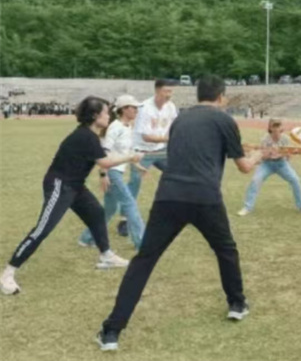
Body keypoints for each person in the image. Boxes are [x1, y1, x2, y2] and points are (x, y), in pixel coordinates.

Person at [96, 74, 264, 352]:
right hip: (205, 198)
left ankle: (111, 331)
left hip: (169, 197)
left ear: (199, 95)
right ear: (221, 97)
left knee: (144, 261)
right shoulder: (225, 120)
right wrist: (260, 154)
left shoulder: (180, 120)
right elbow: (244, 166)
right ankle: (236, 303)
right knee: (226, 250)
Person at [0, 96, 142, 296]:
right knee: (43, 229)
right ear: (94, 115)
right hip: (60, 185)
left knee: (96, 213)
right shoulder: (86, 136)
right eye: (105, 112)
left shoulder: (90, 135)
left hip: (75, 185)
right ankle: (7, 273)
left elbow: (104, 158)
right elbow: (105, 162)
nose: (108, 115)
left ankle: (106, 255)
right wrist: (131, 157)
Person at [78, 95, 146, 251]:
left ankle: (86, 238)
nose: (136, 110)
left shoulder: (128, 127)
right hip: (112, 172)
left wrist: (137, 165)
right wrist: (104, 174)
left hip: (117, 171)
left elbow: (126, 152)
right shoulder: (115, 127)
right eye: (134, 107)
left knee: (109, 209)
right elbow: (105, 153)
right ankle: (141, 243)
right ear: (124, 109)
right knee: (129, 204)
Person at [117, 79, 178, 237]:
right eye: (166, 91)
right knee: (135, 183)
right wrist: (169, 139)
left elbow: (173, 127)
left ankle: (175, 210)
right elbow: (146, 136)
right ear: (157, 91)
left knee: (177, 175)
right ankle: (124, 219)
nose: (169, 94)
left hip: (161, 151)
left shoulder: (171, 107)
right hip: (142, 152)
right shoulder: (144, 108)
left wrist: (173, 138)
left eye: (171, 91)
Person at [237, 118, 301, 217]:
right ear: (270, 128)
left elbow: (288, 157)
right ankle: (247, 208)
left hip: (282, 164)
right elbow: (263, 156)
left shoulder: (285, 139)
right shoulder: (265, 140)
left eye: (278, 126)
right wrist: (269, 153)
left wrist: (288, 153)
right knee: (255, 180)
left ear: (281, 128)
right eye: (274, 126)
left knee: (295, 180)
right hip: (267, 164)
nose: (276, 129)